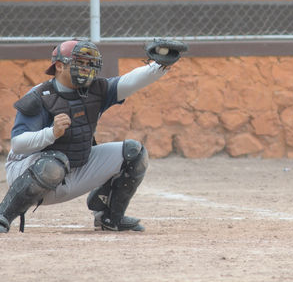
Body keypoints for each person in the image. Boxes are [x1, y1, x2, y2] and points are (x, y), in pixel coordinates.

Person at [0, 38, 176, 233]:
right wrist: (51, 133)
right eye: (80, 63)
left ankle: (110, 218)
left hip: (75, 167)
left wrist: (160, 65)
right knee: (53, 164)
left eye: (89, 64)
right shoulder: (40, 95)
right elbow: (18, 144)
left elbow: (130, 81)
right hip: (29, 173)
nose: (86, 69)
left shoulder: (96, 90)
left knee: (134, 152)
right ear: (59, 66)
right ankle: (3, 215)